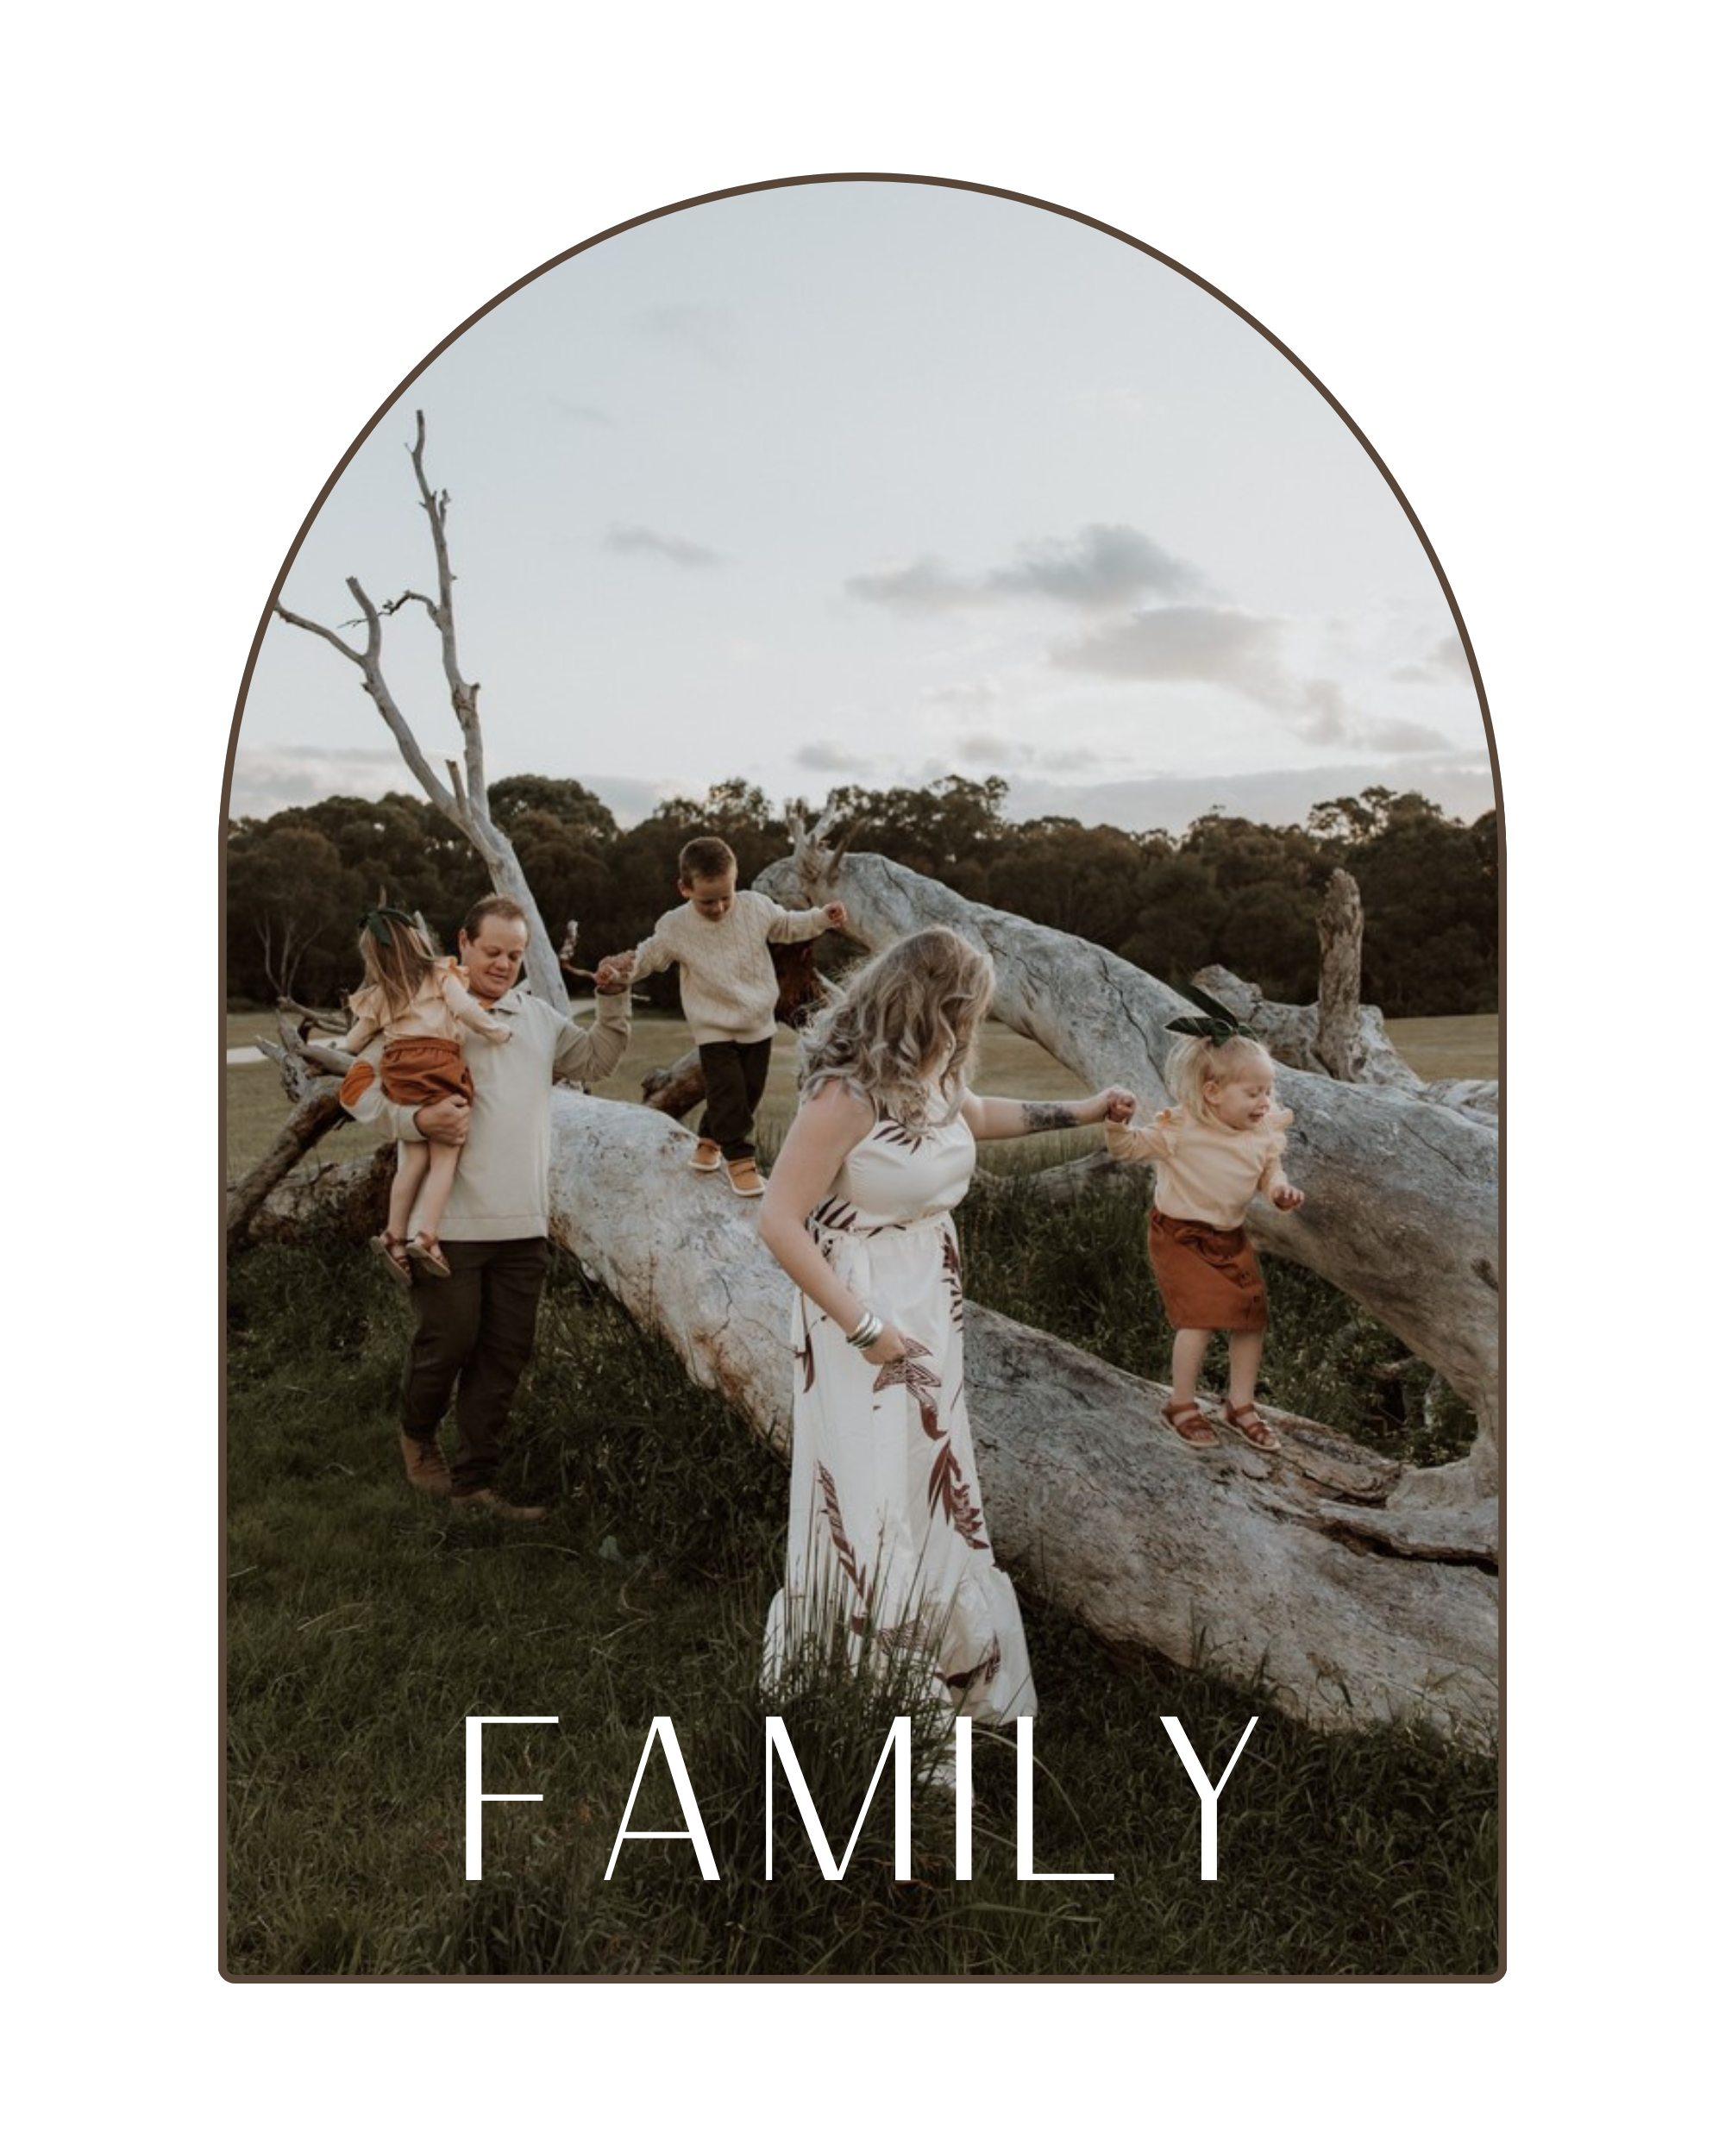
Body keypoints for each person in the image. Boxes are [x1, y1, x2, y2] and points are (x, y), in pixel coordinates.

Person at [756, 924, 1133, 1731]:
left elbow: (979, 1115)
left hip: (929, 1292)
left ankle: (951, 1654)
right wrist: (864, 1329)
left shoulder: (929, 1074)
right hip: (858, 1299)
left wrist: (1085, 1110)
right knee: (870, 1474)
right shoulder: (847, 1095)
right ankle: (870, 1686)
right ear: (937, 1006)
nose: (974, 1025)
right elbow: (779, 1220)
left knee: (930, 1466)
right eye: (969, 1010)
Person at [340, 894, 633, 1520]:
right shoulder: (421, 1005)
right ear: (463, 945)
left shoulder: (537, 1018)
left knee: (503, 1356)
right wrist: (416, 1120)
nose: (503, 964)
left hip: (524, 1223)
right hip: (444, 1226)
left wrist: (612, 999)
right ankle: (418, 1434)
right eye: (492, 951)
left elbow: (598, 1060)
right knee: (447, 1343)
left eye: (515, 955)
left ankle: (474, 1486)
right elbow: (354, 1087)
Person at [599, 837, 845, 1199]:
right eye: (707, 901)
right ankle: (740, 1160)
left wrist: (822, 918)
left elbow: (788, 925)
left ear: (735, 881)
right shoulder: (676, 926)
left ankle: (709, 1139)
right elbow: (648, 956)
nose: (718, 908)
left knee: (747, 1095)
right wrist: (620, 972)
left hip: (758, 1023)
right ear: (684, 889)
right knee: (728, 1091)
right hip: (714, 1029)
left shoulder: (755, 907)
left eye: (725, 897)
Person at [1104, 1020, 1305, 1452]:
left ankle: (1241, 1404)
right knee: (1199, 1319)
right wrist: (1118, 1125)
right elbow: (1127, 1149)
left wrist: (1280, 1192)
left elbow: (1271, 1172)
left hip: (1229, 1237)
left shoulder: (1262, 1133)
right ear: (1213, 1092)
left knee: (1251, 1317)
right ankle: (1181, 1403)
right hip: (1180, 1236)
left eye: (1268, 1091)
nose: (1264, 1102)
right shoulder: (1183, 1128)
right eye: (1253, 1093)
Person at [334, 905, 514, 1283]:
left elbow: (353, 1041)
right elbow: (465, 1009)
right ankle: (427, 1236)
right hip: (437, 1064)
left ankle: (393, 1236)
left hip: (400, 1071)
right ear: (417, 940)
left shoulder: (382, 994)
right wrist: (496, 1031)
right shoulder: (439, 973)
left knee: (413, 1160)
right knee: (444, 1157)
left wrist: (344, 1046)